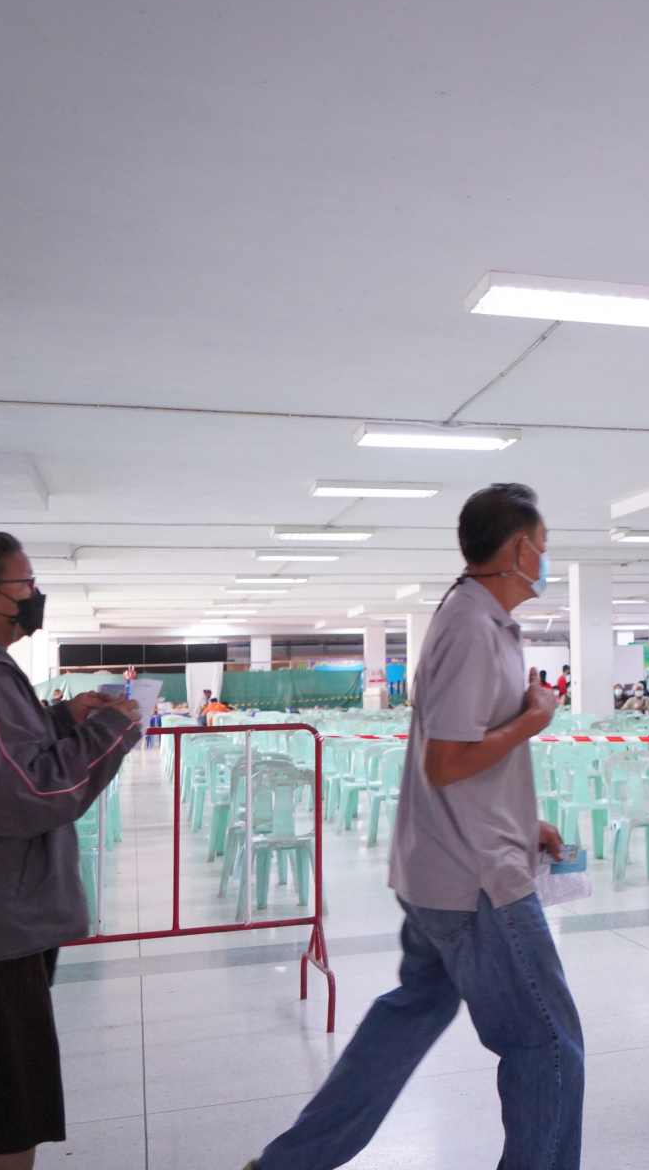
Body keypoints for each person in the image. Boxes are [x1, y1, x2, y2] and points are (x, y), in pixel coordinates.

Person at [247, 483, 582, 1170]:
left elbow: (463, 755)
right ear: (520, 549)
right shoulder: (471, 626)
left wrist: (526, 820)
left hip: (444, 865)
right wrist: (534, 719)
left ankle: (290, 1164)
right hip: (476, 881)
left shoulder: (481, 621)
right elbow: (446, 761)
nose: (546, 561)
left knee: (411, 1013)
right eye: (544, 547)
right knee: (546, 1043)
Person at [0, 530, 144, 1170]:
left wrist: (62, 720)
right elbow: (23, 794)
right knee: (9, 1102)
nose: (35, 595)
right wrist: (110, 730)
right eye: (27, 583)